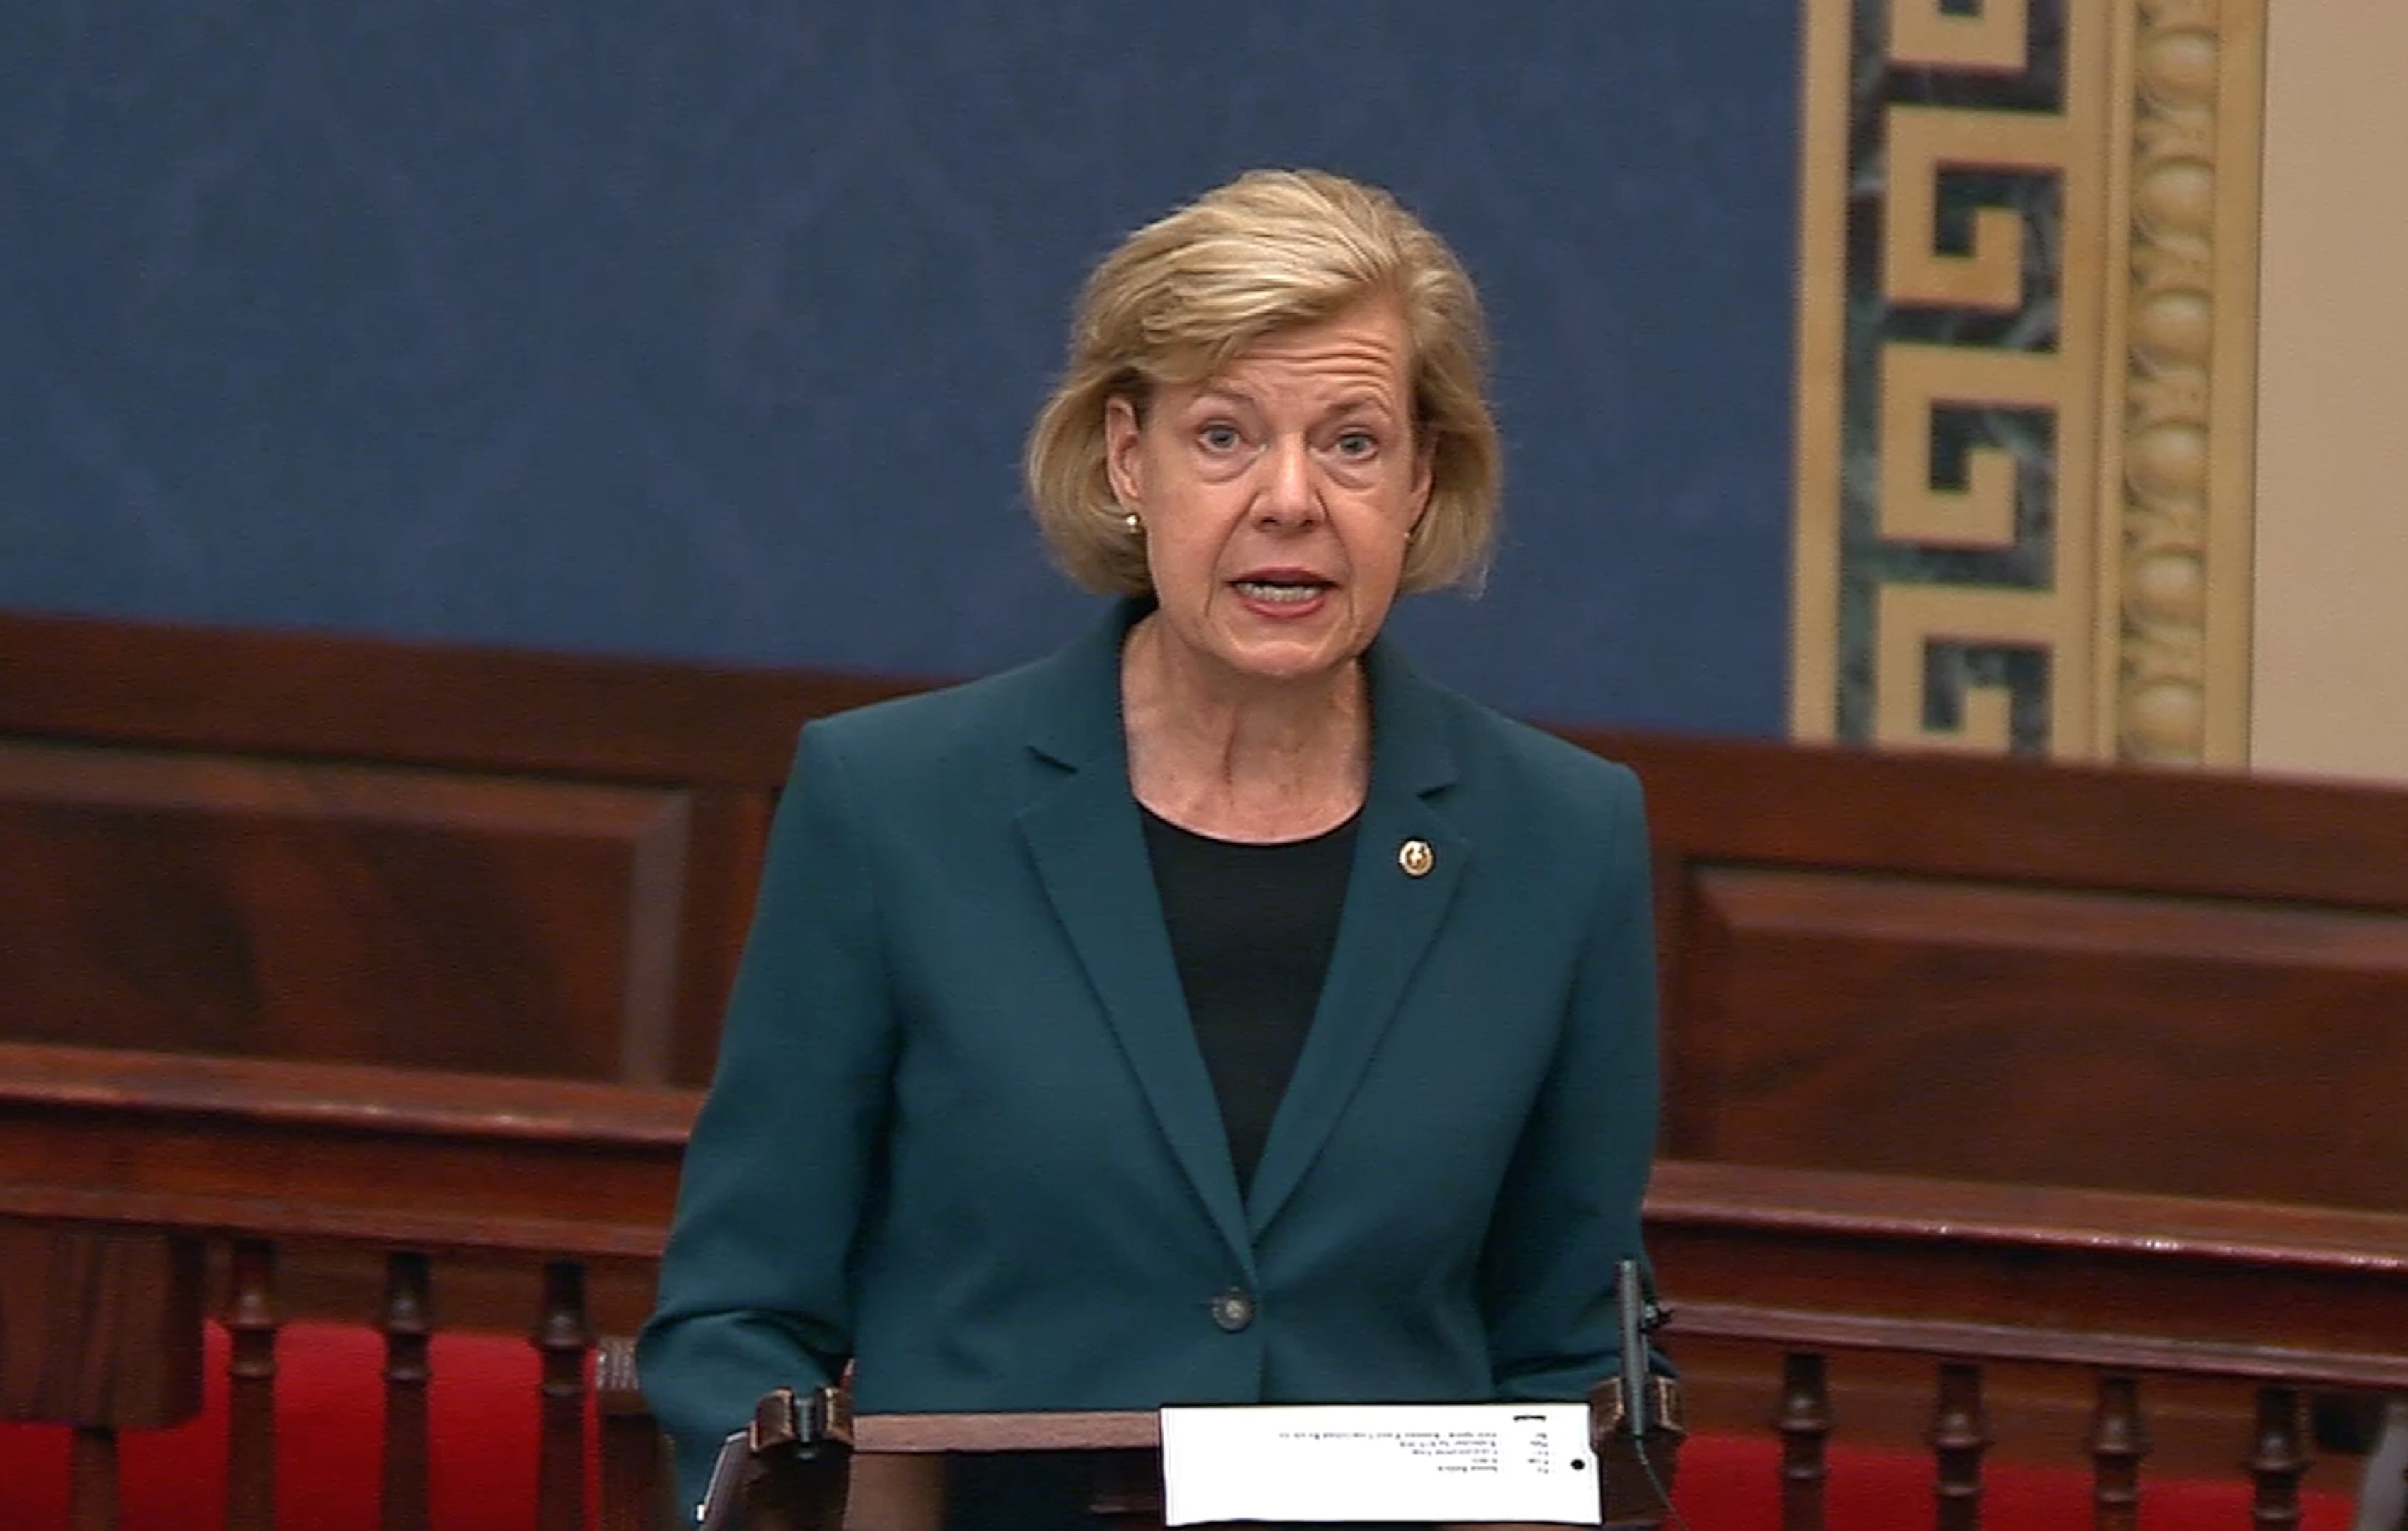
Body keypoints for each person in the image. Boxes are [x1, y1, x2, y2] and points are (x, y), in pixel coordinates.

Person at [638, 167, 1663, 1529]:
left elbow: (1568, 1353)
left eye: (1352, 443)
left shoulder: (1560, 840)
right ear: (1130, 460)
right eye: (1226, 437)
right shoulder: (894, 804)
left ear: (1423, 479)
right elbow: (736, 1318)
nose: (1291, 500)